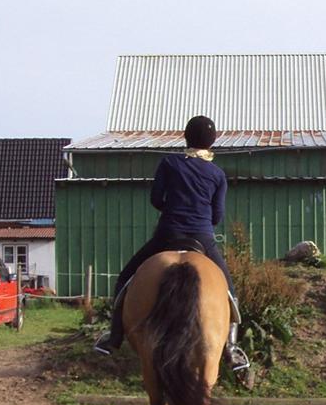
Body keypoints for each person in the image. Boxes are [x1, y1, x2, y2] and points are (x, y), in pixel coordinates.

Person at [94, 115, 249, 372]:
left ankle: (114, 337)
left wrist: (174, 209)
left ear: (186, 136)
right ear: (212, 142)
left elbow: (156, 199)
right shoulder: (217, 174)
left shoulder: (169, 163)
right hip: (202, 237)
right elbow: (217, 216)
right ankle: (231, 349)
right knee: (230, 292)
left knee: (124, 279)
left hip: (168, 233)